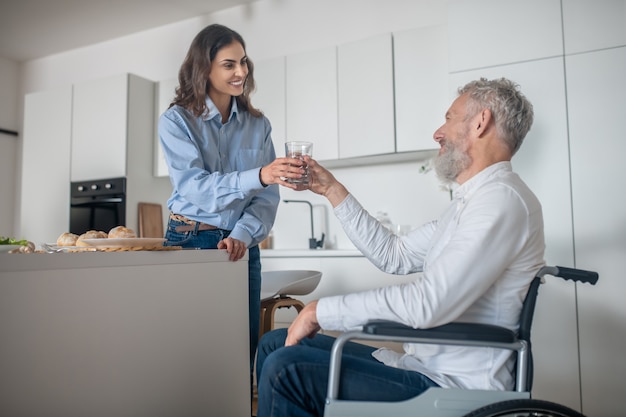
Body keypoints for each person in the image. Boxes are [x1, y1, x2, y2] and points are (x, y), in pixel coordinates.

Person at [255, 77, 545, 417]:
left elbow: (429, 303)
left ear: (480, 122)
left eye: (449, 118)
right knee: (275, 343)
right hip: (421, 367)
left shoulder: (500, 201)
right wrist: (331, 188)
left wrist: (321, 311)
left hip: (454, 385)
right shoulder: (469, 204)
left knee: (286, 369)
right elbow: (394, 255)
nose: (438, 132)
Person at [158, 23, 307, 386]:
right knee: (191, 346)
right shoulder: (176, 121)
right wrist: (259, 174)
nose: (241, 72)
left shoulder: (259, 125)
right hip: (191, 238)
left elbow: (267, 197)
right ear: (203, 68)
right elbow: (194, 187)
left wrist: (242, 232)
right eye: (228, 64)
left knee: (242, 348)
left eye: (243, 62)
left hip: (241, 246)